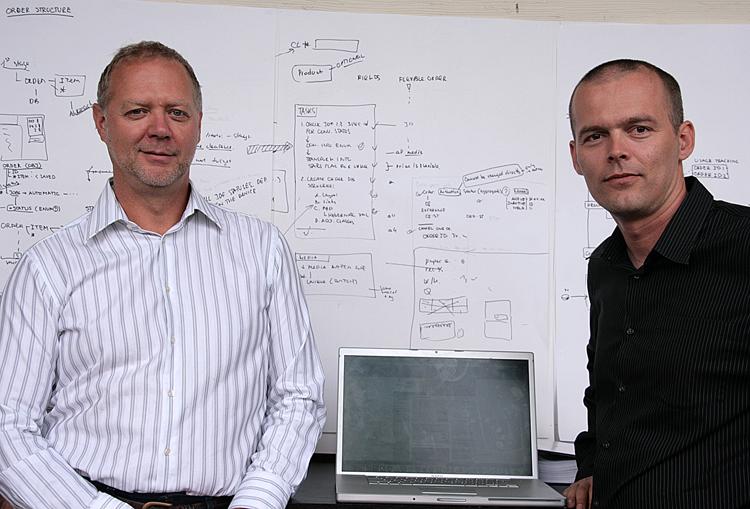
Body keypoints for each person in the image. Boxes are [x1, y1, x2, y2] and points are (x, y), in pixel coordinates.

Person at [0, 41, 325, 509]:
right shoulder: (47, 267)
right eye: (137, 111)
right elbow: (9, 424)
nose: (159, 129)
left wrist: (258, 501)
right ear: (101, 122)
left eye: (177, 112)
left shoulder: (264, 251)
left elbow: (298, 396)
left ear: (198, 125)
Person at [563, 59, 750, 509]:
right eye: (595, 136)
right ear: (576, 157)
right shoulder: (606, 266)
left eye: (639, 129)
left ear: (683, 140)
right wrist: (591, 469)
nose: (616, 151)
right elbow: (606, 394)